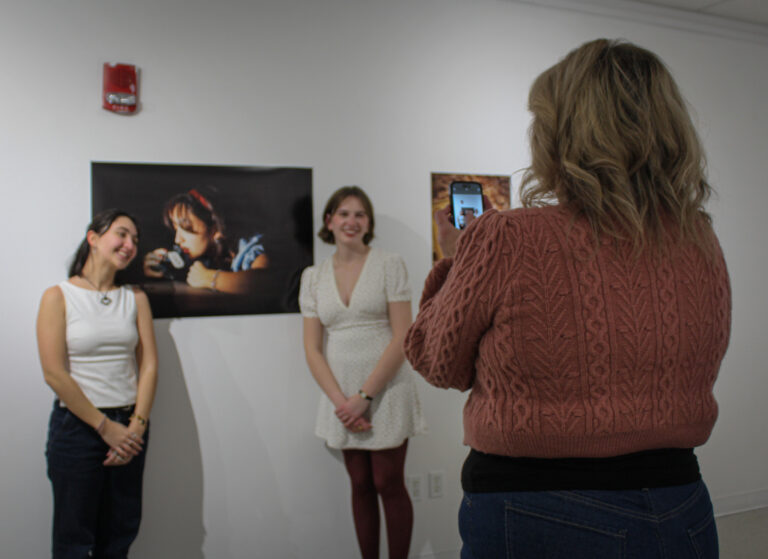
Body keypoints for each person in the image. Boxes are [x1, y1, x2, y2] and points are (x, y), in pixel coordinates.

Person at [404, 39, 731, 559]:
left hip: (535, 508)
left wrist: (455, 261)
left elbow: (437, 359)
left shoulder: (507, 237)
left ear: (562, 134)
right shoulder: (699, 238)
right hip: (681, 505)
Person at [299, 186, 427, 559]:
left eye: (360, 214)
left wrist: (364, 397)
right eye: (343, 213)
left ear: (368, 223)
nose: (351, 221)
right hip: (339, 396)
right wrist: (344, 402)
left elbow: (404, 335)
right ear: (329, 221)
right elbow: (311, 348)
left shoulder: (390, 264)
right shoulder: (313, 276)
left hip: (386, 388)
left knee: (388, 481)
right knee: (359, 483)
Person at [37, 209, 158, 559]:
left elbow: (149, 363)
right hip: (78, 429)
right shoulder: (57, 296)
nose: (129, 244)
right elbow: (54, 373)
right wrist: (105, 428)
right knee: (73, 541)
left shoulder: (135, 297)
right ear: (93, 237)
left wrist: (136, 424)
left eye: (135, 239)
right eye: (122, 234)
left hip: (130, 428)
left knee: (119, 537)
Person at [143, 188, 268, 294]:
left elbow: (264, 281)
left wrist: (209, 278)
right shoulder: (207, 253)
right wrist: (162, 267)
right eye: (176, 229)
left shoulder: (250, 249)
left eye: (186, 229)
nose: (178, 239)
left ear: (216, 229)